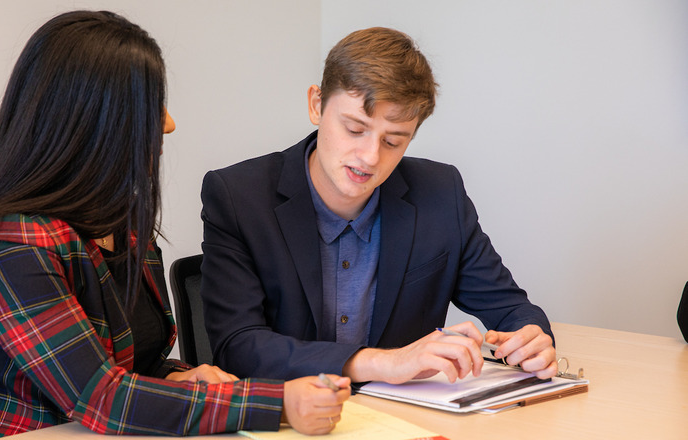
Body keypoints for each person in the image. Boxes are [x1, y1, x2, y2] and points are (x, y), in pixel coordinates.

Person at [0, 10, 349, 439]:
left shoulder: (124, 223)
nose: (169, 124)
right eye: (151, 107)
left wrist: (181, 377)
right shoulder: (11, 244)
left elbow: (130, 364)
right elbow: (102, 398)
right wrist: (277, 404)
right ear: (92, 120)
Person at [199, 27, 558, 386]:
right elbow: (239, 346)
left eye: (393, 141)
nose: (370, 157)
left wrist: (529, 338)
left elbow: (510, 307)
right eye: (355, 129)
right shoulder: (238, 197)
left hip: (402, 421)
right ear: (316, 104)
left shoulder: (440, 193)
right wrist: (381, 363)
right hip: (285, 421)